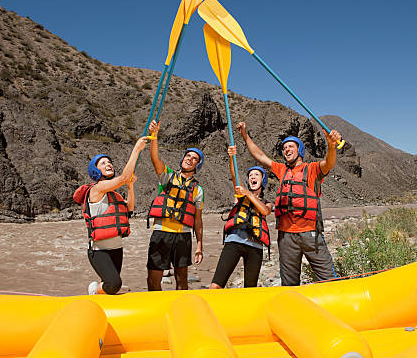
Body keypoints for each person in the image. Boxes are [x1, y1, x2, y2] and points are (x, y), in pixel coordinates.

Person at [236, 121, 343, 286]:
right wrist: (244, 135)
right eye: (284, 148)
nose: (286, 150)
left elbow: (329, 163)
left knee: (329, 280)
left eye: (291, 146)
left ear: (299, 150)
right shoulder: (282, 170)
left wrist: (331, 146)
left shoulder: (312, 169)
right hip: (286, 236)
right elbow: (260, 156)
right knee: (289, 283)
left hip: (310, 234)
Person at [73, 136, 148, 295]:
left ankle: (101, 294)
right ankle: (94, 290)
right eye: (103, 163)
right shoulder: (96, 189)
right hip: (99, 251)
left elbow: (130, 208)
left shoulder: (115, 195)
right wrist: (136, 149)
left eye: (109, 162)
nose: (108, 164)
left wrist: (130, 187)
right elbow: (124, 177)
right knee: (114, 284)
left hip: (116, 248)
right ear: (95, 170)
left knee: (112, 288)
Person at [146, 120, 204, 291]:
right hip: (161, 232)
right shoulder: (168, 176)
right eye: (188, 156)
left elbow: (198, 221)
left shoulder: (198, 189)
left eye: (194, 159)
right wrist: (154, 136)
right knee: (153, 278)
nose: (190, 159)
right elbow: (154, 158)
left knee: (182, 278)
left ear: (197, 165)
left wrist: (199, 245)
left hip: (183, 236)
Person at [210, 145, 271, 289]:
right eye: (250, 176)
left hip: (255, 246)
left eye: (257, 175)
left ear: (263, 181)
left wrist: (249, 194)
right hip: (234, 242)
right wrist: (232, 157)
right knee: (215, 286)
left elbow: (265, 211)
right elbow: (234, 176)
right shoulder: (240, 196)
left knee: (250, 288)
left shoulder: (268, 203)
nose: (253, 177)